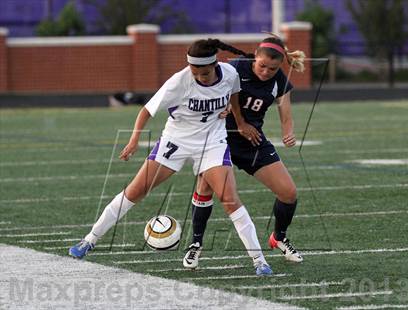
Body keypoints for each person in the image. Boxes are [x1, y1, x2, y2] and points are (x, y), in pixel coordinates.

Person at [69, 39, 273, 276]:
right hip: (176, 142)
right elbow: (145, 110)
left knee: (229, 198)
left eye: (204, 73)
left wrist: (236, 118)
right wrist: (134, 139)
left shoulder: (229, 73)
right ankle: (90, 239)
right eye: (195, 72)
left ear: (215, 64)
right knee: (135, 191)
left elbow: (234, 94)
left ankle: (259, 260)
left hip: (212, 143)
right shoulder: (179, 81)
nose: (199, 77)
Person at [183, 36, 305, 269]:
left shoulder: (280, 79)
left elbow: (286, 114)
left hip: (252, 141)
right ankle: (195, 245)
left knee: (288, 193)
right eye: (262, 65)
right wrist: (232, 118)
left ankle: (279, 238)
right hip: (219, 138)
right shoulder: (234, 67)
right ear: (254, 57)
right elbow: (207, 87)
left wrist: (288, 132)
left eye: (273, 68)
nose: (267, 71)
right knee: (205, 188)